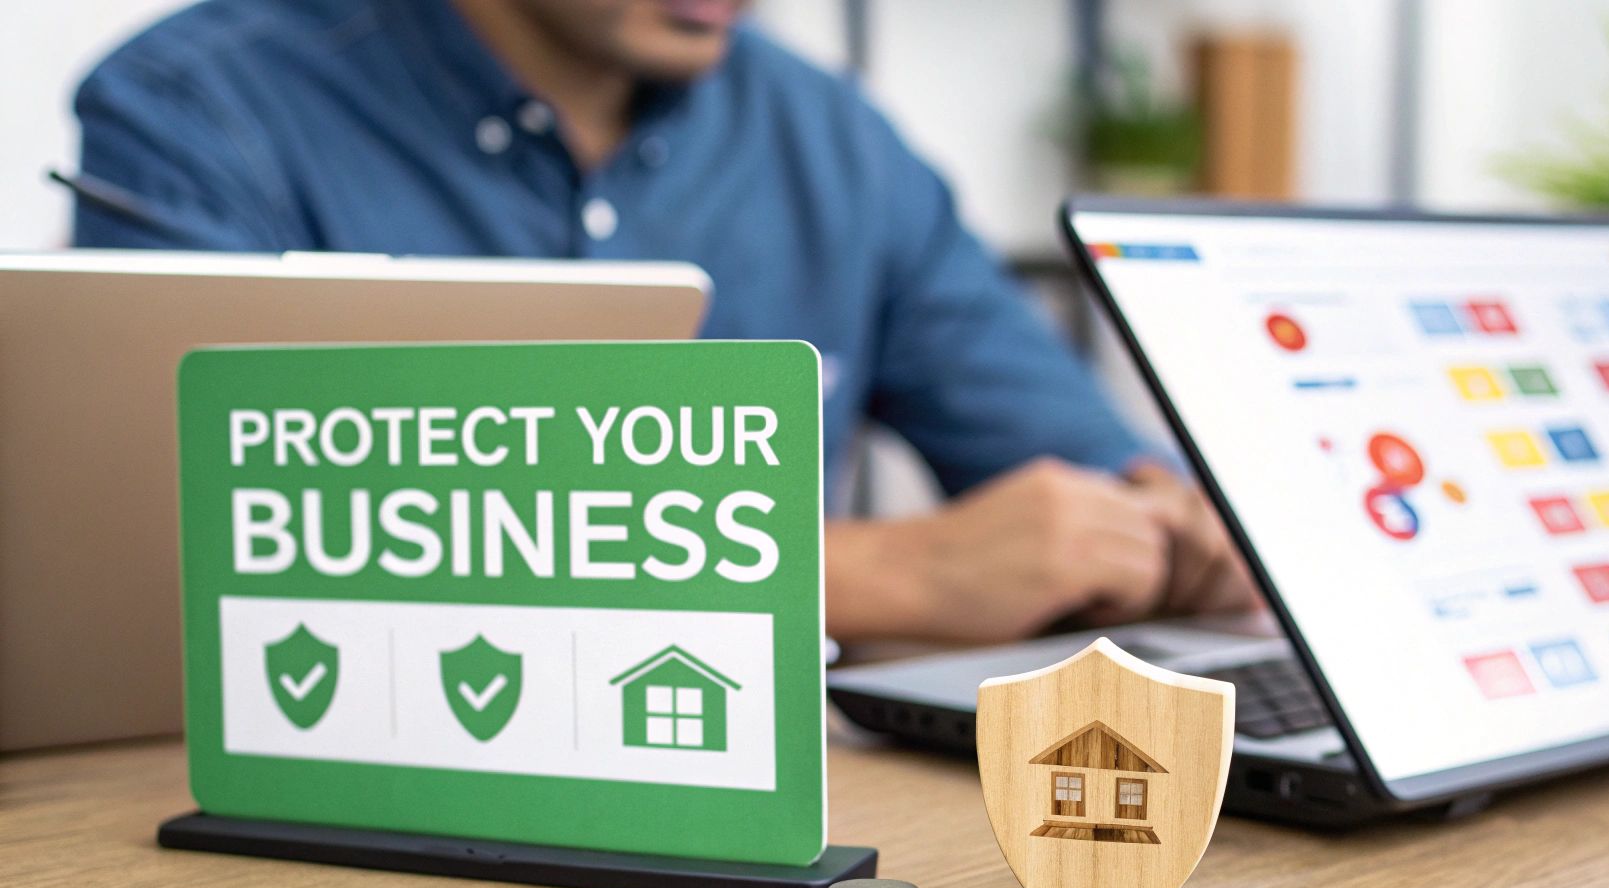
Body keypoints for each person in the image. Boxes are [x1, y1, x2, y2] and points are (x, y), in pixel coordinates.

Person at [73, 0, 1257, 642]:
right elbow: (181, 569)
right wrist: (876, 572)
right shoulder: (202, 107)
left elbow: (1088, 466)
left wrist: (1156, 527)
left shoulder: (835, 141)